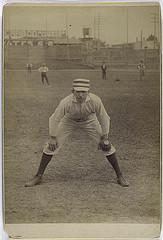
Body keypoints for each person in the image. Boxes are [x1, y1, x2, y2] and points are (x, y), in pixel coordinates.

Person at [25, 78, 129, 188]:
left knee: (107, 146)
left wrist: (105, 137)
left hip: (90, 120)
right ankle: (38, 176)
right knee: (49, 146)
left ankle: (119, 176)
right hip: (69, 120)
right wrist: (52, 137)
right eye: (77, 91)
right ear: (72, 91)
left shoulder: (95, 100)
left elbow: (104, 118)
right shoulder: (66, 102)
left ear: (88, 92)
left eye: (83, 92)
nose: (80, 95)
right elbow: (54, 119)